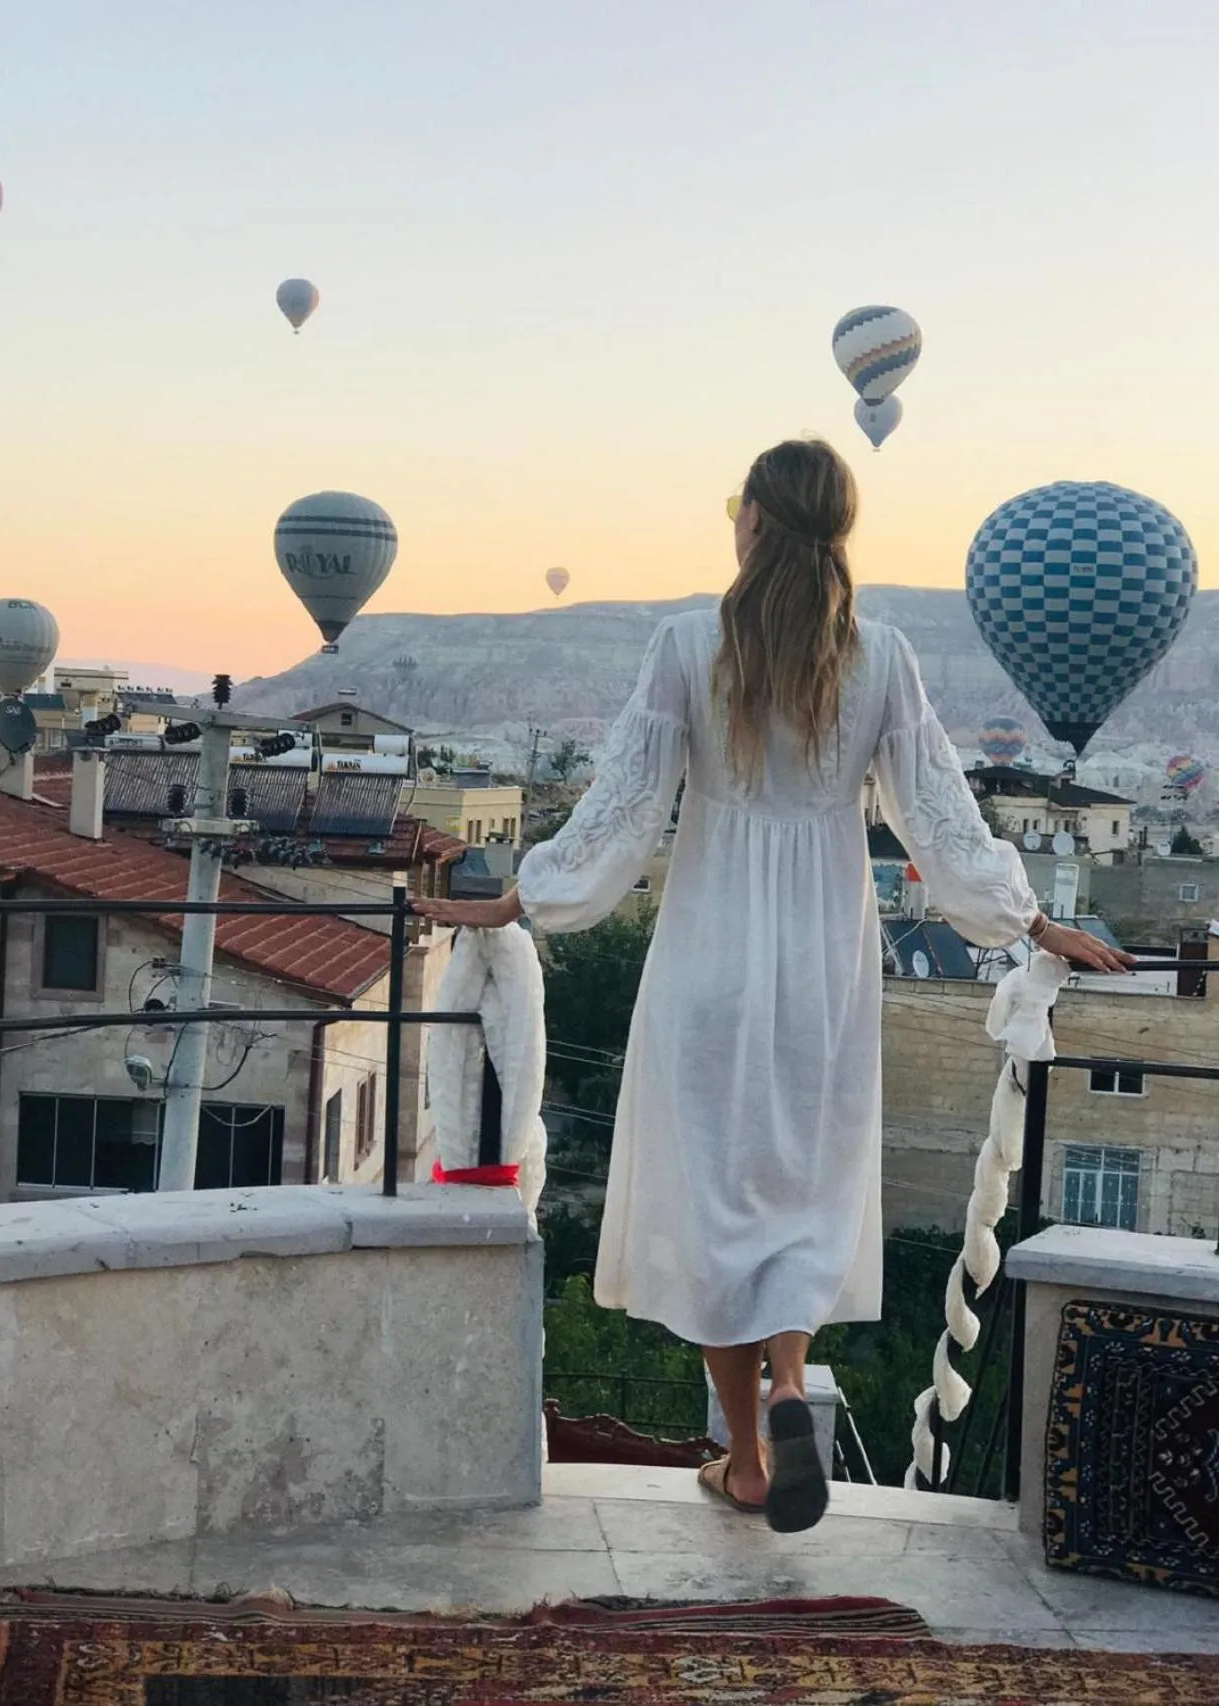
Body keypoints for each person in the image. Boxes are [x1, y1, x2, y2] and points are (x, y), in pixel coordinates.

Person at [415, 437, 1131, 1532]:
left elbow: (619, 804)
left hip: (707, 952)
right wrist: (1026, 918)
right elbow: (938, 812)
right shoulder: (880, 656)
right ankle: (791, 1388)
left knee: (714, 1197)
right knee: (798, 1191)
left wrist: (524, 896)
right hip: (821, 967)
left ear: (749, 517)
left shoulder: (683, 646)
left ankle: (746, 1453)